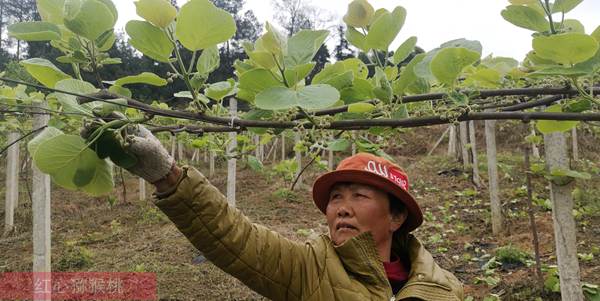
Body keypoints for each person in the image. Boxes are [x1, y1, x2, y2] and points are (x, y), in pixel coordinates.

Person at [89, 124, 463, 300]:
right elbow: (234, 237)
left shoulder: (444, 289)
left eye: (359, 196)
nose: (342, 209)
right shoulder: (309, 269)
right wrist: (167, 175)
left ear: (396, 217)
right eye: (336, 198)